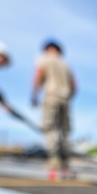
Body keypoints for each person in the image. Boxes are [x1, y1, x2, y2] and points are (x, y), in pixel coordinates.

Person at [31, 38, 77, 170]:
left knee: (50, 127)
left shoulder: (44, 59)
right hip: (65, 98)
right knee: (65, 130)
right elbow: (74, 85)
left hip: (51, 96)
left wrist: (34, 94)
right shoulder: (65, 64)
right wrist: (68, 96)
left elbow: (39, 74)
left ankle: (54, 158)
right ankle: (65, 158)